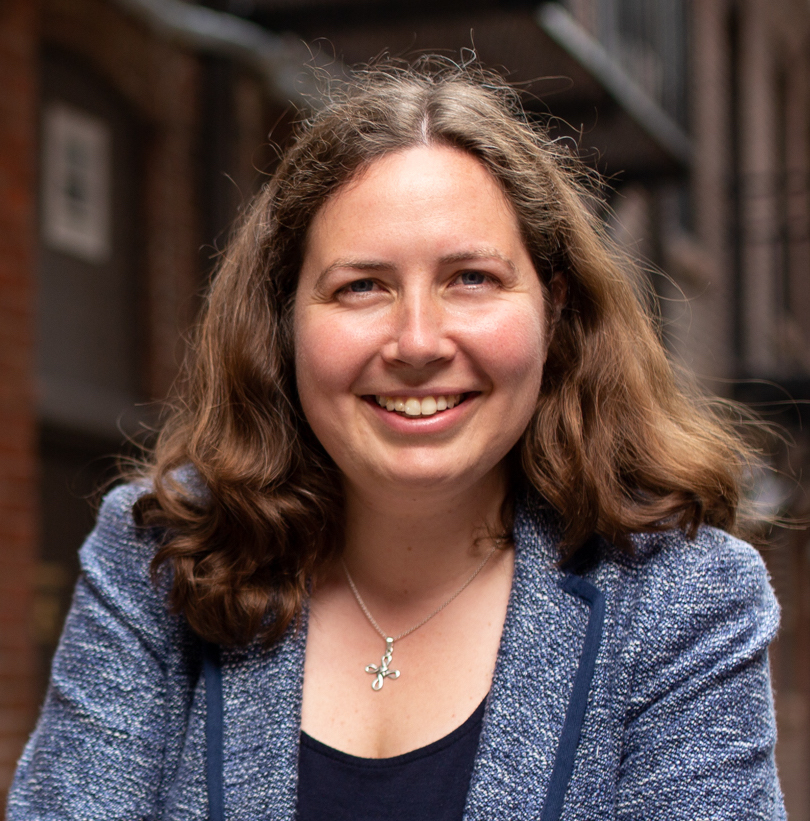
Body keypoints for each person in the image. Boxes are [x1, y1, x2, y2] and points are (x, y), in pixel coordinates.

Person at [9, 60, 785, 821]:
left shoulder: (683, 598)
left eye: (471, 277)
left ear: (552, 309)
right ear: (285, 322)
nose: (417, 340)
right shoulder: (159, 555)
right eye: (362, 286)